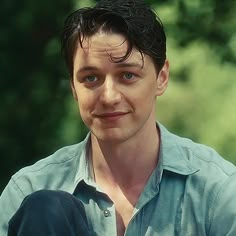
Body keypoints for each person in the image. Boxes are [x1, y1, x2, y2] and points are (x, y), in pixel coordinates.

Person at [1, 0, 236, 235]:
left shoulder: (216, 192)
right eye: (91, 78)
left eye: (127, 75)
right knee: (45, 209)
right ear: (73, 87)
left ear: (161, 78)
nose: (109, 97)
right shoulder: (28, 190)